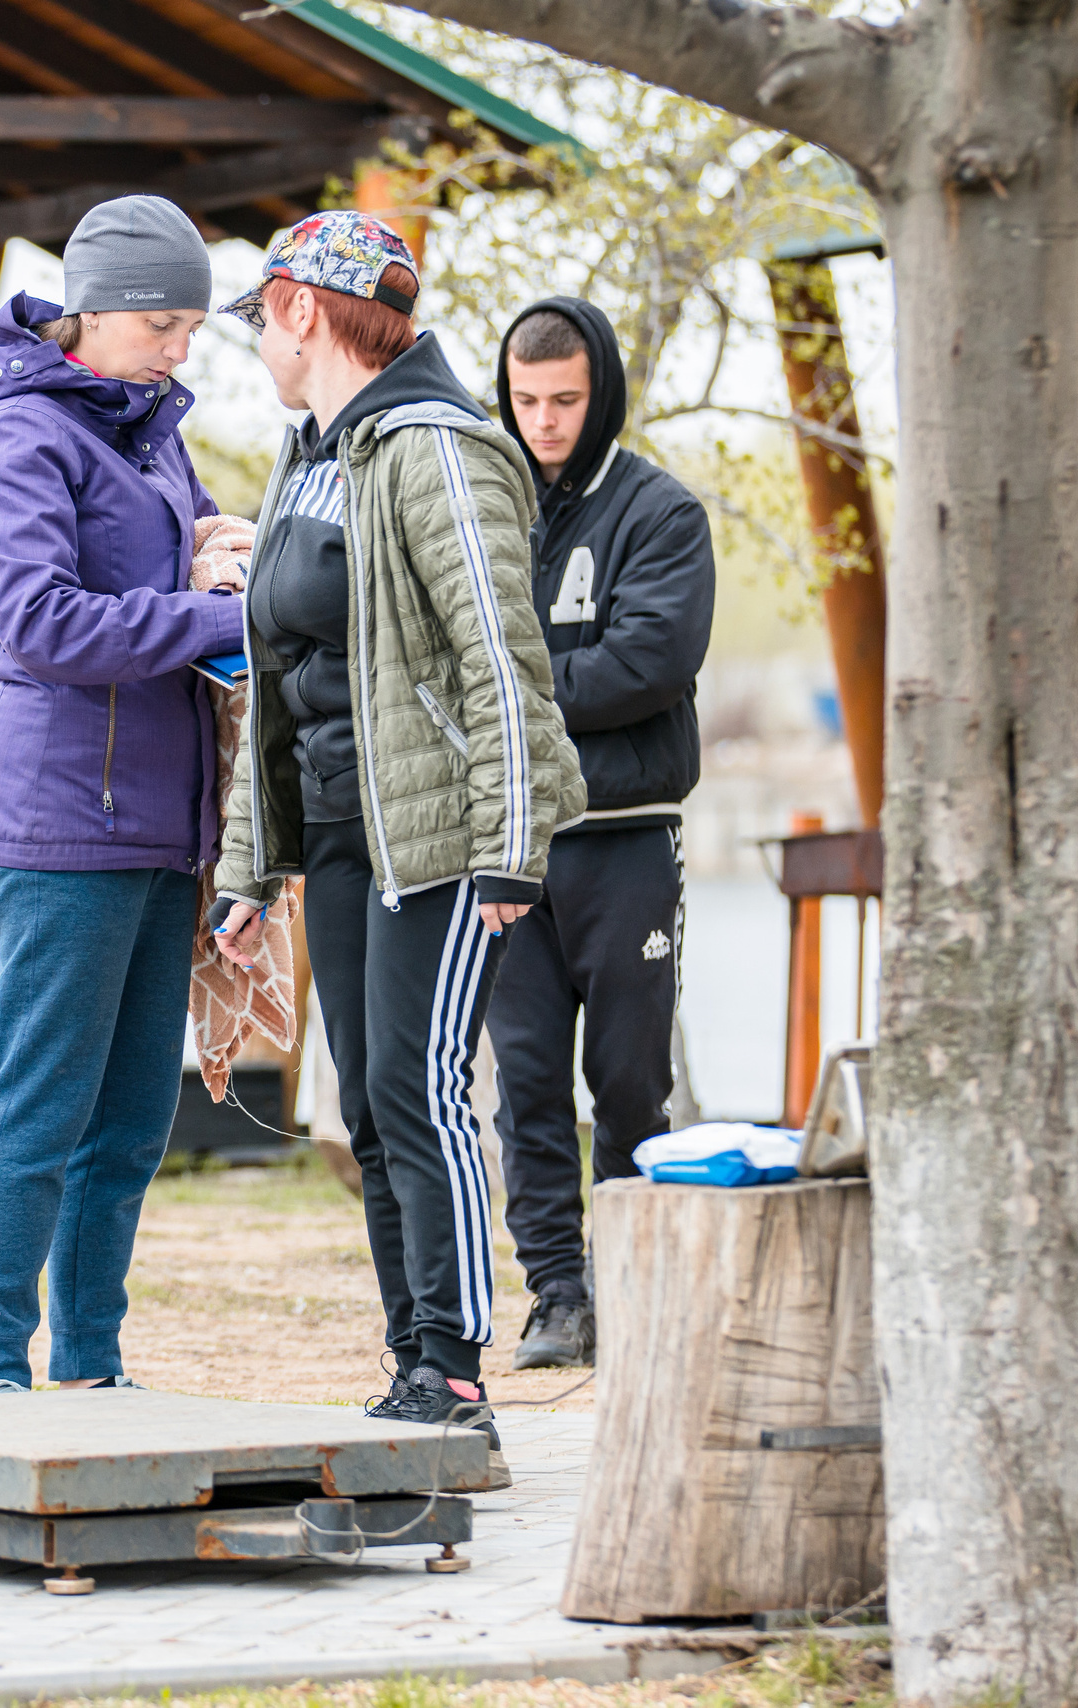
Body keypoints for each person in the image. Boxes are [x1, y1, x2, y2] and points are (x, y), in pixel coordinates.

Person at [212, 213, 584, 1474]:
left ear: (304, 314)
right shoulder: (310, 453)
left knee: (421, 1089)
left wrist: (511, 846)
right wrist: (249, 870)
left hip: (432, 837)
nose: (256, 345)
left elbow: (501, 661)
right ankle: (411, 1356)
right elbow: (275, 675)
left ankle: (461, 1371)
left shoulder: (437, 447)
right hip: (334, 831)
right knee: (367, 1105)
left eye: (260, 319)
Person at [0, 196, 245, 1392]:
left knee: (128, 1126)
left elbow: (138, 580)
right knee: (38, 1116)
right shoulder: (15, 438)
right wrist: (223, 613)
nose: (181, 349)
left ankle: (91, 1365)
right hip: (65, 823)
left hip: (161, 828)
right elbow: (39, 620)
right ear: (98, 311)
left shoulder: (149, 432)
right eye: (164, 324)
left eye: (190, 327)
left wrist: (212, 551)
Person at [486, 298, 715, 1369]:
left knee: (626, 1077)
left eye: (565, 400)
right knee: (524, 1079)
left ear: (601, 392)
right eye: (527, 401)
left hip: (626, 843)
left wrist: (517, 691)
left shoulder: (661, 515)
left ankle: (629, 1280)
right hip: (511, 845)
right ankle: (557, 1294)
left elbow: (647, 665)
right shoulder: (487, 512)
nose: (544, 421)